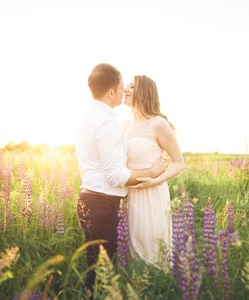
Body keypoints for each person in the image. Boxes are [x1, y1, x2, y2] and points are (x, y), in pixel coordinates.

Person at [75, 63, 165, 293]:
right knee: (99, 272)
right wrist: (152, 173)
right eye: (122, 85)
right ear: (112, 92)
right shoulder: (108, 123)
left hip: (93, 199)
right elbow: (116, 175)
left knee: (99, 267)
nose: (125, 89)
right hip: (101, 202)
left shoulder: (89, 115)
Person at [122, 75, 185, 269]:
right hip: (129, 192)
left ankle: (156, 286)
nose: (125, 89)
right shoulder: (125, 125)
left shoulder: (158, 123)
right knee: (131, 247)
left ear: (144, 93)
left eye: (132, 86)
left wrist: (156, 180)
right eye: (126, 85)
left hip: (152, 193)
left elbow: (178, 163)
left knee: (151, 245)